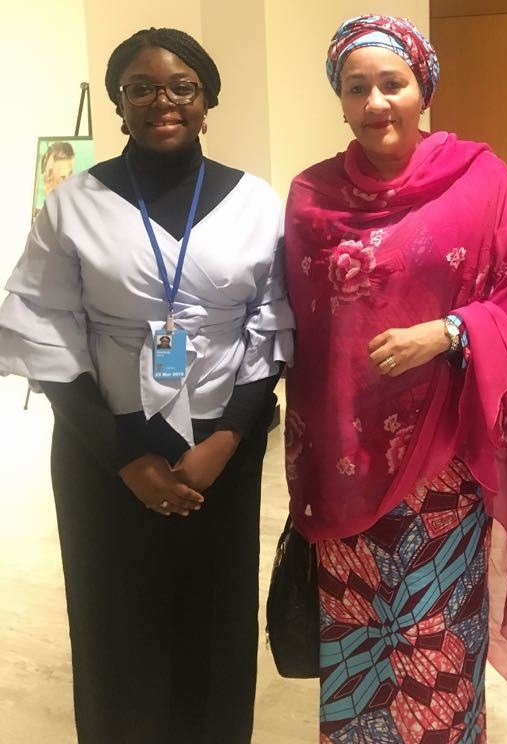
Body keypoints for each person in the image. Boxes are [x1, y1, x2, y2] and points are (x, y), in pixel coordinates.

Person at [0, 27, 293, 744]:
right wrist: (124, 456)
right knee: (115, 628)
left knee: (216, 625)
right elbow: (46, 328)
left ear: (207, 99)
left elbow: (272, 325)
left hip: (221, 445)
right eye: (141, 88)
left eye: (181, 86)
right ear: (119, 104)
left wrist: (228, 439)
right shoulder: (73, 203)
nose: (163, 101)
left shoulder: (256, 201)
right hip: (103, 445)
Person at [284, 14, 507, 743]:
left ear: (423, 89)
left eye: (392, 84)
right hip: (343, 457)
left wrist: (451, 331)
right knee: (356, 637)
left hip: (443, 460)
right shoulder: (310, 196)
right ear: (339, 99)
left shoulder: (479, 179)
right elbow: (298, 330)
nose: (375, 102)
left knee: (436, 644)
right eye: (356, 87)